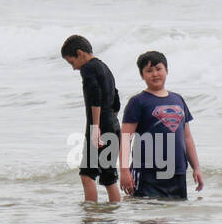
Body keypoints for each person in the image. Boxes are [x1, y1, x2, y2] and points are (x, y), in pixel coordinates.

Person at [120, 50, 204, 199]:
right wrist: (125, 171)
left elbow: (187, 137)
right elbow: (125, 138)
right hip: (147, 172)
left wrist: (196, 167)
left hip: (176, 171)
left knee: (175, 217)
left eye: (159, 69)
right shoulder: (138, 102)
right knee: (148, 218)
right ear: (142, 75)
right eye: (149, 71)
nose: (155, 74)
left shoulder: (178, 99)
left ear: (166, 70)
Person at [61, 35, 122, 203]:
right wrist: (110, 122)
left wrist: (96, 128)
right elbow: (116, 101)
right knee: (109, 179)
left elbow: (95, 97)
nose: (73, 68)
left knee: (87, 175)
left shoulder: (88, 68)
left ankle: (91, 218)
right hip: (113, 127)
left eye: (71, 62)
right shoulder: (105, 67)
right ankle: (112, 218)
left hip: (100, 128)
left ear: (80, 54)